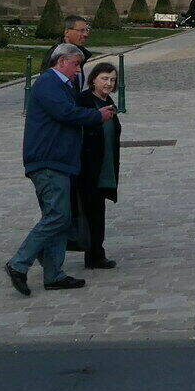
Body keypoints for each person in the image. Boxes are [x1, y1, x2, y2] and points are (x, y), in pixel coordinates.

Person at [4, 43, 112, 295]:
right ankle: (19, 263)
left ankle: (53, 274)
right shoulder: (48, 83)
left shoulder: (62, 84)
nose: (79, 70)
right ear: (61, 61)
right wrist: (96, 116)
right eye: (76, 64)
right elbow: (66, 113)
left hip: (59, 160)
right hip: (48, 160)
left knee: (59, 218)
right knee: (58, 216)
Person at [71, 61, 124, 270]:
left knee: (97, 209)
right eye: (104, 79)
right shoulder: (84, 101)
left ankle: (95, 253)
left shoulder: (108, 101)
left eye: (112, 80)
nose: (109, 83)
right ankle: (92, 253)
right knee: (87, 210)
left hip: (104, 165)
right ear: (93, 79)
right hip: (87, 166)